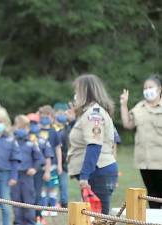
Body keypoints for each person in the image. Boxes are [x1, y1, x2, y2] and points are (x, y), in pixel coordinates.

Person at [68, 74, 118, 215]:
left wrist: (85, 175)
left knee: (99, 218)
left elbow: (94, 145)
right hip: (96, 171)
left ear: (86, 91)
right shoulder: (88, 113)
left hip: (97, 172)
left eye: (77, 91)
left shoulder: (93, 114)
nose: (75, 95)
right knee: (93, 218)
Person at [120, 75, 162, 209]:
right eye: (145, 88)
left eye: (151, 87)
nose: (147, 90)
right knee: (152, 194)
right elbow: (127, 124)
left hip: (160, 160)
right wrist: (124, 105)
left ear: (159, 89)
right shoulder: (140, 107)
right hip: (144, 161)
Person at [12, 115, 44, 225]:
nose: (21, 130)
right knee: (15, 201)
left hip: (27, 176)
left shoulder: (31, 142)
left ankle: (30, 222)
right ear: (15, 127)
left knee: (28, 200)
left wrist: (34, 168)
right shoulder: (12, 141)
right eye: (19, 127)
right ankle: (18, 222)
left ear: (27, 128)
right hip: (15, 176)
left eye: (24, 127)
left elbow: (39, 158)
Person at [38, 105, 62, 216]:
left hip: (52, 165)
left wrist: (60, 165)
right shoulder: (36, 132)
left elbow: (58, 149)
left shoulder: (54, 132)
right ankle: (42, 208)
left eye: (47, 116)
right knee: (42, 187)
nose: (44, 118)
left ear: (52, 117)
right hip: (39, 165)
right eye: (42, 116)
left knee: (52, 187)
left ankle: (52, 208)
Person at [53, 102, 71, 208]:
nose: (61, 116)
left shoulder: (69, 128)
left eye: (64, 113)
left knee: (63, 182)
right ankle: (52, 201)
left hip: (64, 160)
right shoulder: (53, 128)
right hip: (53, 160)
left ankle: (64, 202)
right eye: (59, 113)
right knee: (53, 183)